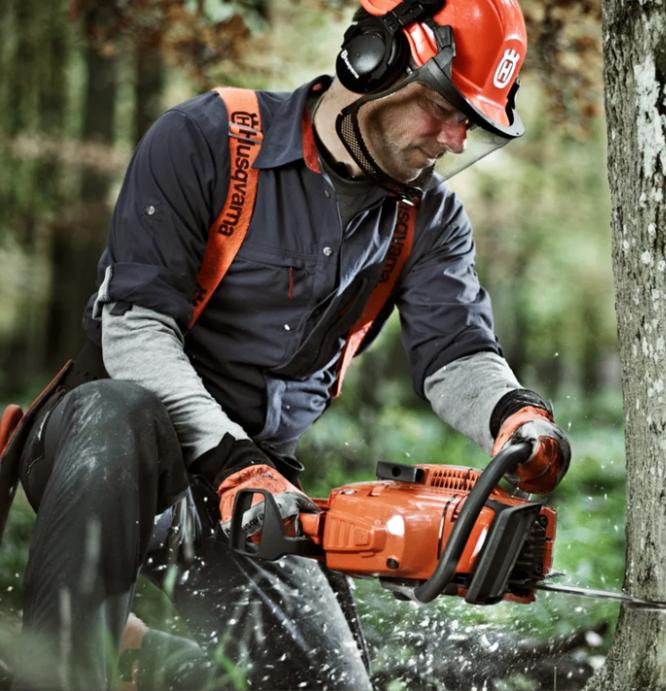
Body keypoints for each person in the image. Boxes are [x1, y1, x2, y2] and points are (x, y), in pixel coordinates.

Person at [9, 0, 570, 687]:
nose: (455, 139)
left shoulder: (429, 217)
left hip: (260, 483)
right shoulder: (206, 138)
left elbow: (454, 350)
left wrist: (513, 414)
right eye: (445, 108)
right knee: (119, 414)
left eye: (472, 124)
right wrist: (224, 459)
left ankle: (153, 662)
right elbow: (135, 328)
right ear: (375, 60)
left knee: (323, 681)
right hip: (115, 448)